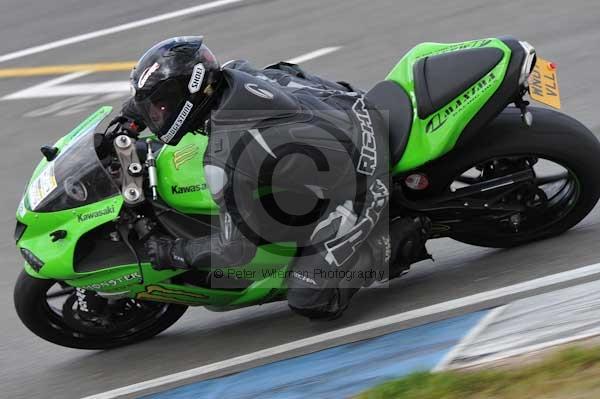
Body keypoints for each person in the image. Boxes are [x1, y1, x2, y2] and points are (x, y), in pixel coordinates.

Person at [114, 36, 428, 320]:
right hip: (352, 108)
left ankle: (402, 236)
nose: (156, 114)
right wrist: (132, 117)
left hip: (364, 171)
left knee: (310, 298)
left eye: (159, 107)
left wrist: (174, 252)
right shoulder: (232, 75)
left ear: (188, 93)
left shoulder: (228, 158)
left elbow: (236, 251)